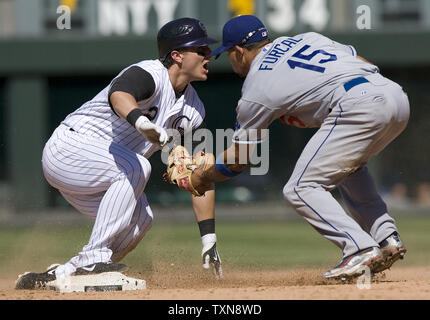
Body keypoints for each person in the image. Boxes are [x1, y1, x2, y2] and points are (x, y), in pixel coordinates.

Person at [191, 15, 409, 280]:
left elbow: (237, 160)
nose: (231, 61)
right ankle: (386, 238)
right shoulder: (305, 38)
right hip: (394, 96)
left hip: (357, 105)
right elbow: (362, 63)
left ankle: (359, 248)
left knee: (299, 188)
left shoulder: (256, 87)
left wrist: (200, 176)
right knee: (349, 169)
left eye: (228, 54)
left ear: (238, 52)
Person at [15, 17, 222, 290]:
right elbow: (119, 94)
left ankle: (64, 275)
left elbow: (199, 176)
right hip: (68, 149)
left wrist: (209, 239)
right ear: (177, 56)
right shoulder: (149, 73)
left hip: (105, 173)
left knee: (141, 220)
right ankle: (93, 261)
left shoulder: (194, 111)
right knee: (138, 168)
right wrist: (140, 122)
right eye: (201, 50)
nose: (210, 56)